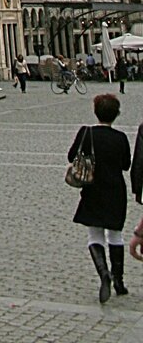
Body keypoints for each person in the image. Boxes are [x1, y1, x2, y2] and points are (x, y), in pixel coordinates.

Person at [67, 92, 132, 302]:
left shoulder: (87, 133)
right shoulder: (120, 137)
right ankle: (119, 280)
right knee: (115, 235)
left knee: (94, 235)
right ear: (116, 114)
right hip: (115, 190)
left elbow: (71, 156)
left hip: (93, 189)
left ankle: (103, 272)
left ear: (96, 112)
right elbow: (126, 165)